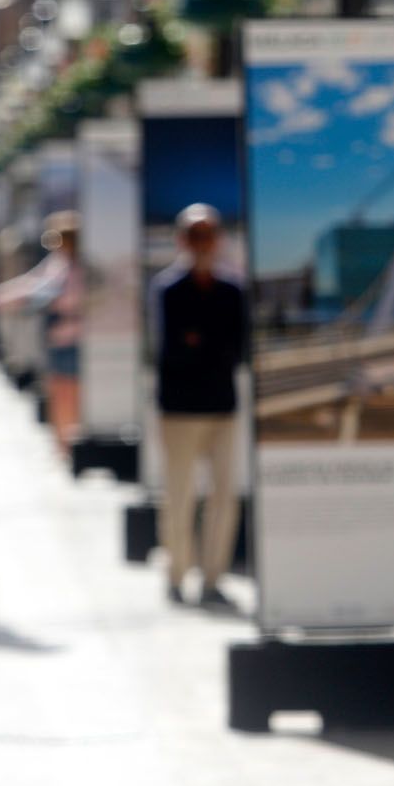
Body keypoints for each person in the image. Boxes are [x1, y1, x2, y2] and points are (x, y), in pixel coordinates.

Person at [151, 204, 245, 607]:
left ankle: (212, 577)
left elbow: (234, 347)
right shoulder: (169, 289)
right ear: (182, 241)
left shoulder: (231, 290)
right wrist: (202, 344)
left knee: (224, 497)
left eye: (208, 236)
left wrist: (200, 342)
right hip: (180, 408)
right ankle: (176, 573)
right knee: (179, 495)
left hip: (221, 406)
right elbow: (173, 347)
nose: (203, 244)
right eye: (195, 236)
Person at [0, 212, 83, 458]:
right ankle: (62, 444)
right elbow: (31, 284)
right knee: (57, 390)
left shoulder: (76, 267)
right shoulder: (57, 262)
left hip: (71, 337)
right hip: (57, 337)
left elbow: (41, 292)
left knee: (69, 392)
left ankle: (68, 444)